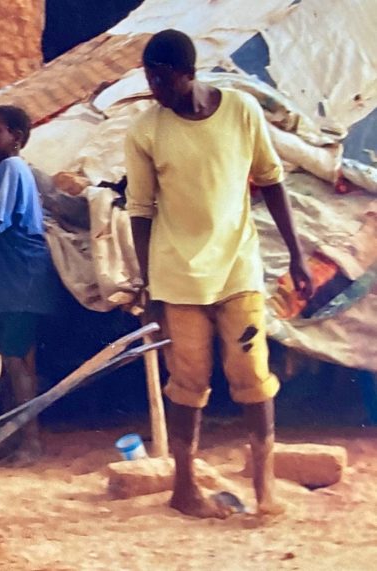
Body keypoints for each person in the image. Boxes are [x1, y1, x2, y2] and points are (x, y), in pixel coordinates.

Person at [125, 30, 314, 517]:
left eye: (162, 78)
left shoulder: (241, 112)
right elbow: (140, 211)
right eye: (149, 78)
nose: (154, 88)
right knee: (187, 381)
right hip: (177, 276)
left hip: (237, 267)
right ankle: (185, 489)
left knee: (252, 373)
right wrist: (148, 285)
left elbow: (272, 180)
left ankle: (265, 488)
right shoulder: (146, 131)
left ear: (188, 73)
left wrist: (296, 256)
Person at [0, 105, 59, 466]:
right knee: (16, 361)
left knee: (16, 362)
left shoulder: (11, 169)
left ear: (16, 138)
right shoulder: (10, 170)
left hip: (20, 282)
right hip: (14, 282)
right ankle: (13, 438)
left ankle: (30, 442)